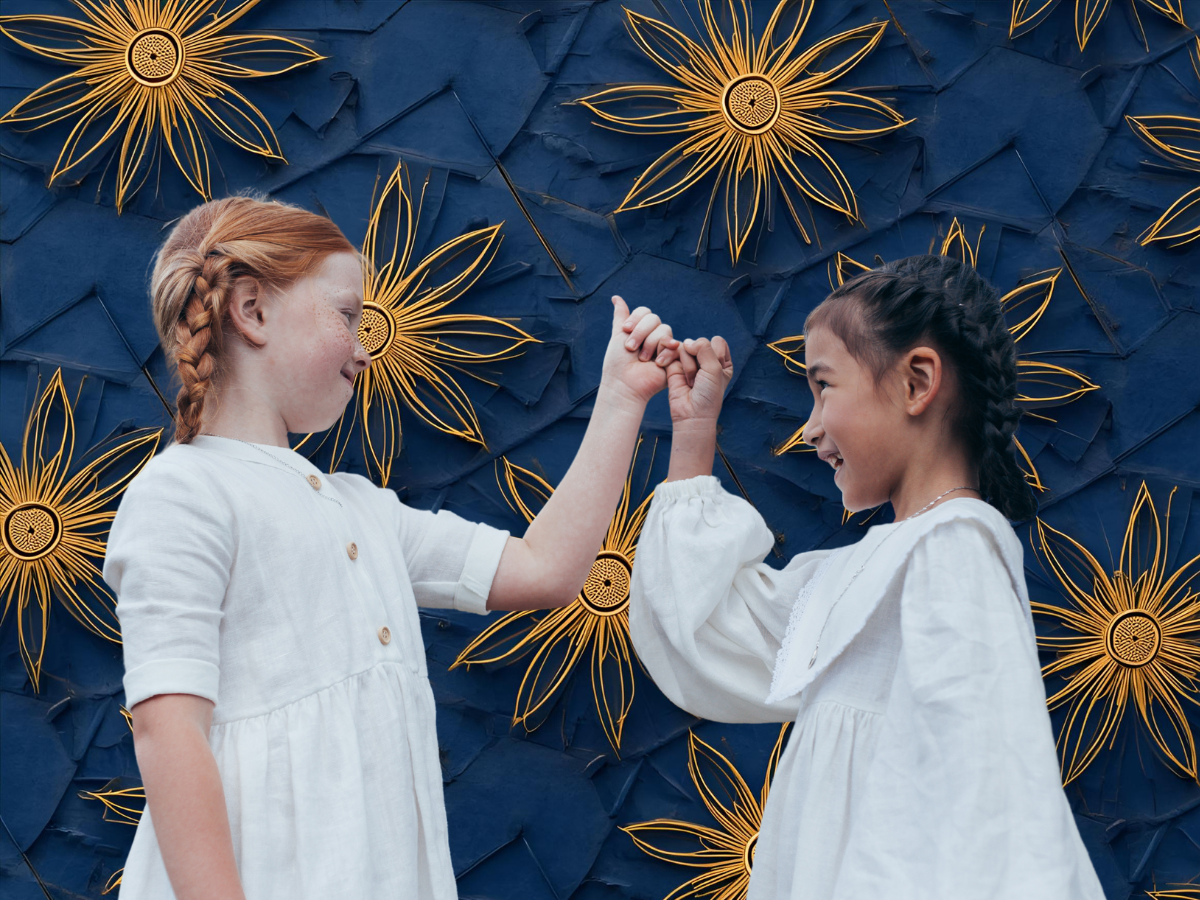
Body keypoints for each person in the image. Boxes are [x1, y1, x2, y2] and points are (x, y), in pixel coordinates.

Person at [103, 194, 683, 900]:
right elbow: (170, 736)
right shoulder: (183, 493)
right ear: (251, 311)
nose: (364, 343)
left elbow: (545, 570)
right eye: (346, 314)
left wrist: (623, 399)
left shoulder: (360, 509)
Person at [628, 255, 1105, 899]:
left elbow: (978, 793)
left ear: (916, 383)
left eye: (824, 386)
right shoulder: (863, 570)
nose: (811, 427)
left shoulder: (955, 549)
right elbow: (703, 628)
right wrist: (693, 431)